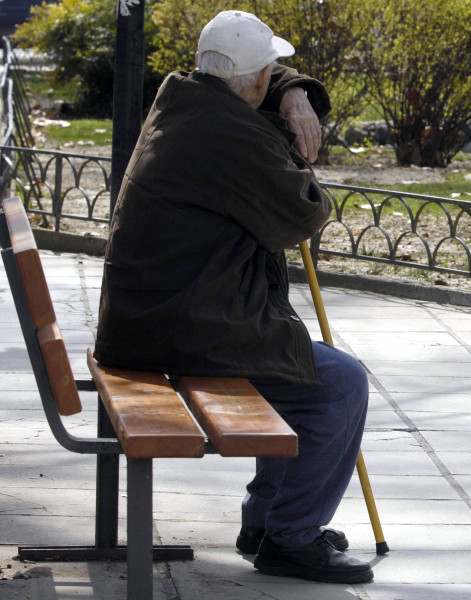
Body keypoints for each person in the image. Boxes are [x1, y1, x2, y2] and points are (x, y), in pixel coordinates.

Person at [93, 10, 373, 584]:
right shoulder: (231, 137)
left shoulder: (186, 99)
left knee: (297, 370)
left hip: (155, 315)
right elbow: (302, 213)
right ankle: (289, 538)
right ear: (255, 81)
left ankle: (268, 522)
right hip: (180, 326)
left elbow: (252, 92)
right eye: (274, 71)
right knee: (339, 385)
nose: (276, 79)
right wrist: (292, 137)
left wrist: (292, 93)